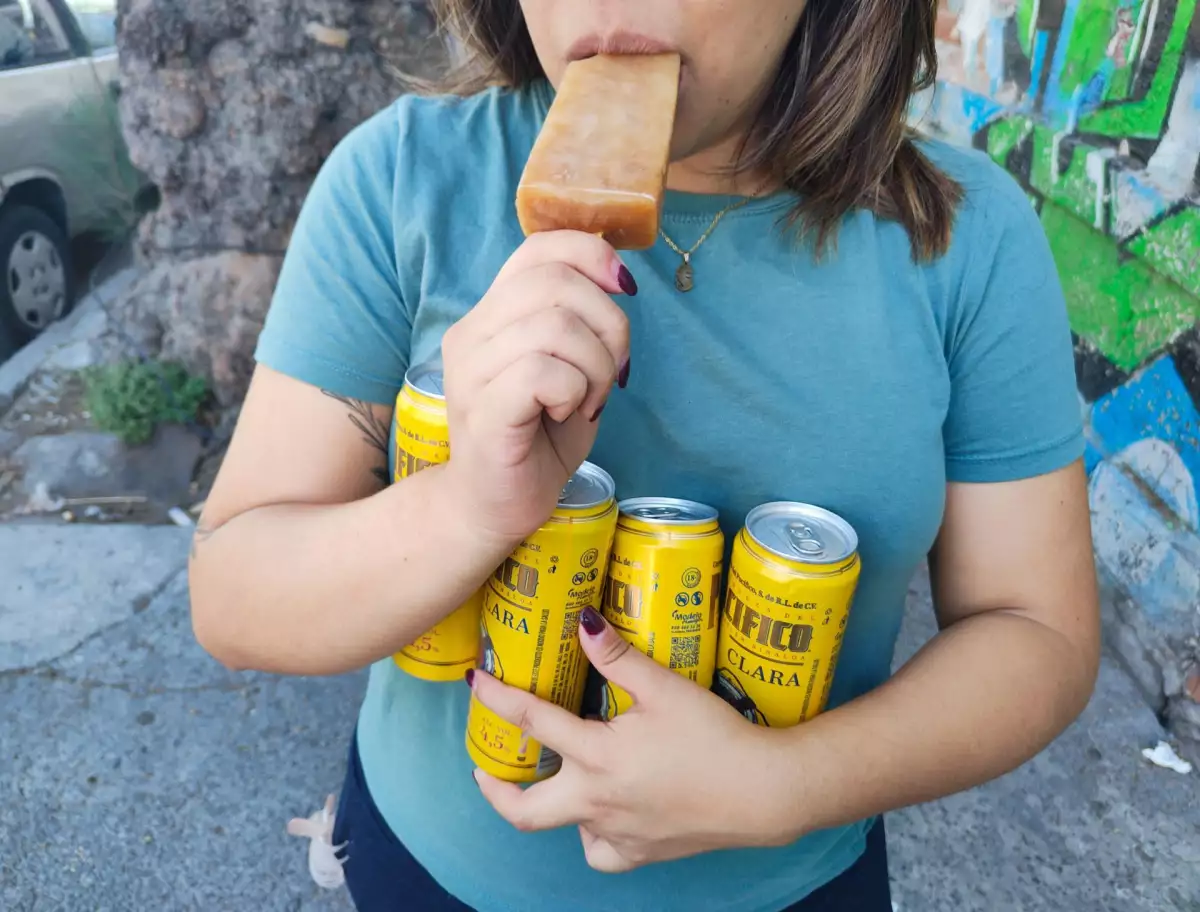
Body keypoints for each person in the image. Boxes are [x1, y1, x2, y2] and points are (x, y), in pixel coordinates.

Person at [189, 1, 1100, 910]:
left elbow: (1038, 632)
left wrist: (789, 785)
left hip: (791, 885)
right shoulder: (402, 180)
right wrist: (468, 507)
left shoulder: (965, 239)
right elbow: (233, 595)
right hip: (431, 865)